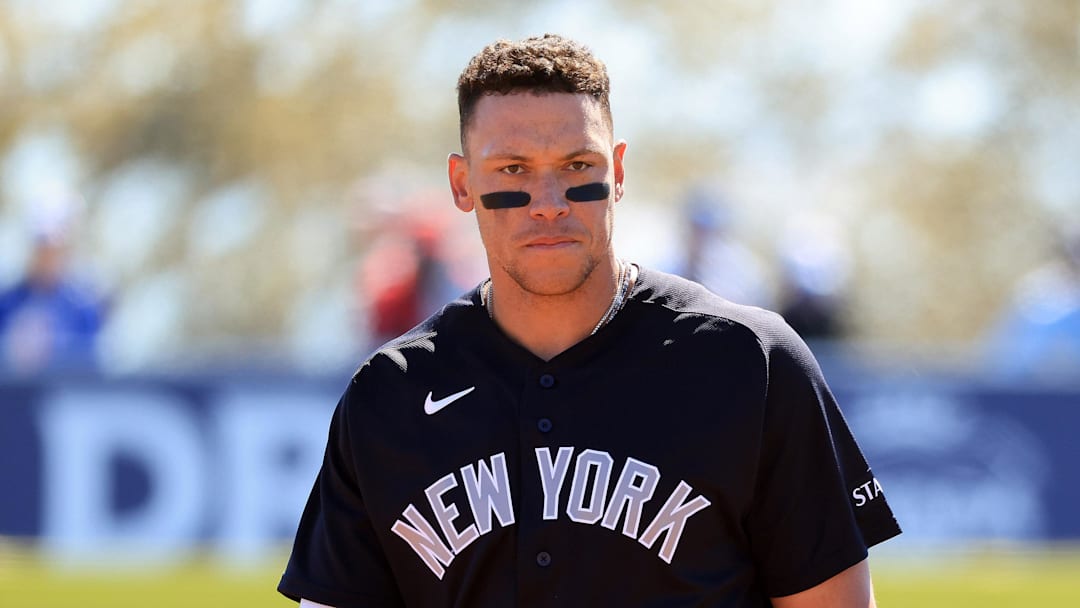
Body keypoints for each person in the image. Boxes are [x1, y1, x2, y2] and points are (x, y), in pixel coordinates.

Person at [279, 34, 900, 607]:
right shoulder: (389, 394)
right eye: (513, 169)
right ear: (462, 182)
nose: (548, 205)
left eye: (578, 166)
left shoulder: (751, 364)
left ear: (619, 172)